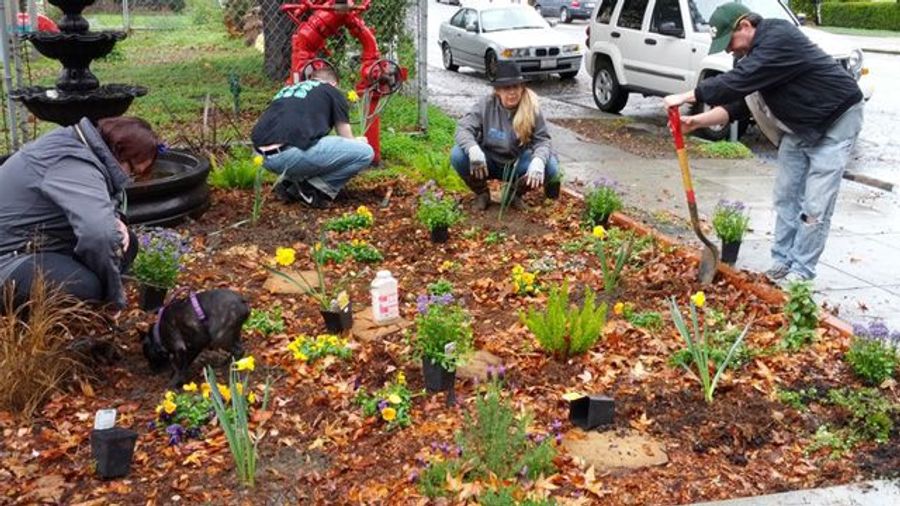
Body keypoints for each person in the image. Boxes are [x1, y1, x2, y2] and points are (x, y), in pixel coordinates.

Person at [663, 2, 863, 283]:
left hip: (836, 120)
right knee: (785, 196)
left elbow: (738, 81)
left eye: (729, 41)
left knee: (815, 205)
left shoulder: (779, 37)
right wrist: (697, 121)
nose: (730, 50)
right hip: (798, 126)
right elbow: (741, 104)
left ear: (745, 26)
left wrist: (688, 96)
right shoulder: (748, 58)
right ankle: (781, 263)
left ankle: (801, 273)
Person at [0, 116, 160, 308]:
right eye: (132, 171)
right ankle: (34, 323)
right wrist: (114, 299)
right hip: (8, 257)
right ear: (119, 154)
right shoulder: (73, 163)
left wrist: (115, 221)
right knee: (83, 288)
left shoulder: (79, 145)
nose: (130, 178)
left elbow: (101, 205)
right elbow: (98, 235)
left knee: (126, 244)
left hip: (36, 242)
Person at [251, 67, 374, 209]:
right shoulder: (332, 91)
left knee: (309, 143)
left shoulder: (289, 90)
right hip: (289, 156)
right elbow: (346, 136)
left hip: (261, 157)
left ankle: (289, 184)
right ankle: (314, 189)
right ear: (334, 84)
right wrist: (358, 142)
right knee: (364, 153)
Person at [451, 62, 559, 211]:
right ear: (497, 90)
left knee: (551, 166)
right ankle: (482, 193)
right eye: (507, 88)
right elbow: (463, 128)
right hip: (486, 163)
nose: (512, 92)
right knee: (458, 155)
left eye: (516, 86)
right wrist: (473, 149)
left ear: (522, 88)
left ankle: (514, 194)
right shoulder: (485, 105)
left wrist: (538, 160)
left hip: (517, 164)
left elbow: (543, 140)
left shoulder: (532, 108)